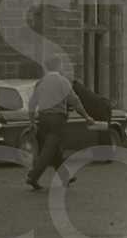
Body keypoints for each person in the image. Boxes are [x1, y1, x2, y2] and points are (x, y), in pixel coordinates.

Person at [25, 62, 87, 191]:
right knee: (48, 151)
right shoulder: (63, 81)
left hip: (42, 119)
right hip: (57, 120)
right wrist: (87, 117)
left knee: (54, 150)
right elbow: (75, 101)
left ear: (47, 67)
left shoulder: (40, 82)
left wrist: (31, 122)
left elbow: (31, 104)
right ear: (59, 67)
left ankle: (65, 177)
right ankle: (33, 177)